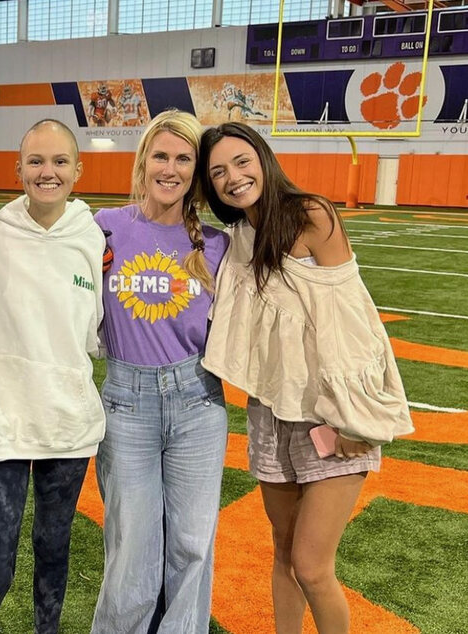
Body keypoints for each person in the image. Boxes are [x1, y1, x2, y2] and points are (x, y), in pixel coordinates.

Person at [198, 122, 413, 634]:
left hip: (329, 413)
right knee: (283, 554)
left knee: (314, 568)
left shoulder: (311, 215)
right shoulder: (237, 238)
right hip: (271, 414)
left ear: (264, 160)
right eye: (219, 172)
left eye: (242, 161)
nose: (234, 177)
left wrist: (353, 417)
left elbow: (352, 323)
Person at [0, 119, 105, 634]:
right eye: (37, 162)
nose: (48, 172)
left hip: (68, 427)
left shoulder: (92, 237)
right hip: (1, 426)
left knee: (53, 551)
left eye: (60, 161)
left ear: (78, 170)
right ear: (17, 169)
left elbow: (98, 332)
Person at [90, 109, 230, 634]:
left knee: (193, 545)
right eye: (161, 155)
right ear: (144, 161)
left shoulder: (216, 246)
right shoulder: (103, 229)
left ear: (196, 171)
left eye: (184, 159)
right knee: (133, 545)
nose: (170, 168)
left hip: (198, 401)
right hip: (126, 403)